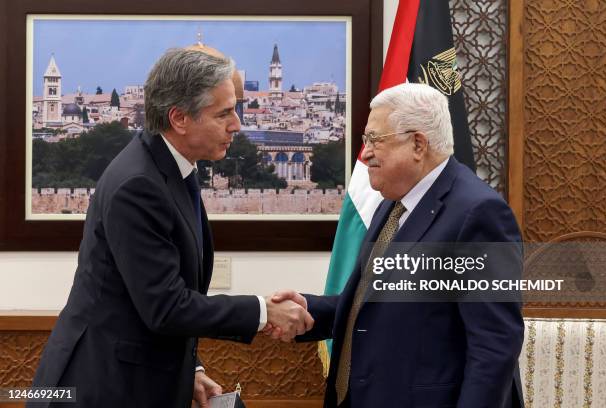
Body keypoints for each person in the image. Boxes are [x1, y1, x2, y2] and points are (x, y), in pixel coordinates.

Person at [28, 48, 313, 408]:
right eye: (224, 113)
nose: (237, 124)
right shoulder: (139, 184)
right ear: (179, 118)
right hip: (98, 389)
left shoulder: (169, 169)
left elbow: (150, 299)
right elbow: (165, 306)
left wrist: (189, 367)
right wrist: (263, 312)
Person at [270, 83, 525, 408]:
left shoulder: (478, 213)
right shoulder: (391, 204)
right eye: (365, 141)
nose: (365, 154)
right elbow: (371, 305)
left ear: (418, 143)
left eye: (375, 140)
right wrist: (307, 310)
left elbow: (494, 344)